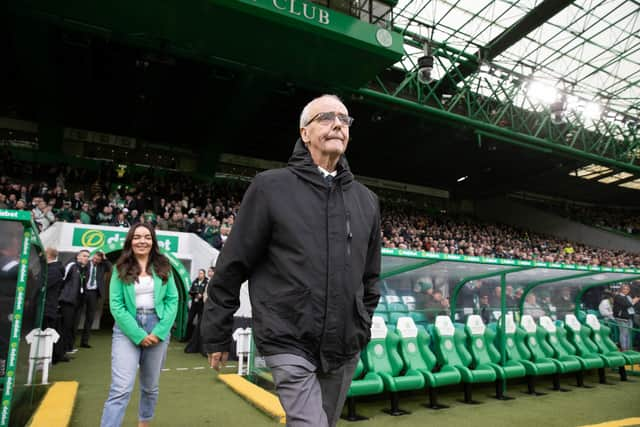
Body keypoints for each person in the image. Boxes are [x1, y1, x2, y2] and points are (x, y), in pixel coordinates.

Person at [201, 94, 381, 427]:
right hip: (287, 337)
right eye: (326, 118)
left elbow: (371, 277)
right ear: (304, 133)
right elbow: (233, 263)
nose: (338, 125)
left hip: (344, 344)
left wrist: (362, 324)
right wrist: (215, 332)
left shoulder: (367, 201)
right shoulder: (270, 187)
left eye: (344, 119)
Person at [100, 223, 179, 427]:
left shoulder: (164, 266)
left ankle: (144, 423)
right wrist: (138, 334)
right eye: (137, 237)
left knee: (150, 387)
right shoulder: (120, 268)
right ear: (130, 241)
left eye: (147, 237)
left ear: (153, 241)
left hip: (157, 326)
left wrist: (159, 332)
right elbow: (116, 305)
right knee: (120, 388)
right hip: (127, 329)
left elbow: (173, 300)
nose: (142, 241)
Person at [78, 251, 112, 348]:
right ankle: (70, 341)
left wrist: (105, 258)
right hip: (83, 291)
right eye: (95, 258)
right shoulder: (86, 263)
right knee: (77, 313)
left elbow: (110, 267)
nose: (96, 260)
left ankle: (84, 341)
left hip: (94, 293)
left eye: (98, 259)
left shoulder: (102, 266)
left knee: (90, 317)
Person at [59, 249, 90, 354]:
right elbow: (61, 280)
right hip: (68, 301)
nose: (87, 258)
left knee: (73, 325)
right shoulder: (71, 265)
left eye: (87, 256)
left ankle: (69, 347)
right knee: (66, 325)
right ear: (78, 256)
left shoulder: (84, 269)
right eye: (84, 256)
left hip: (79, 301)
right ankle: (62, 349)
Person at [44, 248, 69, 363]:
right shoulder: (53, 269)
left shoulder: (54, 270)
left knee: (50, 334)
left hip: (48, 307)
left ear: (48, 255)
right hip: (50, 306)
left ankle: (53, 357)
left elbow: (42, 286)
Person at [613, 284, 639, 351]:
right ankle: (624, 349)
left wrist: (633, 301)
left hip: (629, 317)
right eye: (624, 289)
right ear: (621, 289)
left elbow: (631, 306)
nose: (625, 290)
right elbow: (627, 305)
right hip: (622, 318)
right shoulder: (618, 296)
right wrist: (634, 301)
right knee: (624, 333)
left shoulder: (628, 297)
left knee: (629, 333)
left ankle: (629, 348)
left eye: (627, 289)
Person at [184, 269, 207, 342]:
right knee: (189, 320)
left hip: (201, 305)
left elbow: (207, 293)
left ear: (204, 274)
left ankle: (197, 340)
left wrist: (201, 295)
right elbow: (190, 291)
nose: (199, 275)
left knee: (200, 322)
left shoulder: (206, 282)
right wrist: (195, 293)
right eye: (199, 273)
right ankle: (187, 337)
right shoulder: (195, 281)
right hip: (194, 304)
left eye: (201, 273)